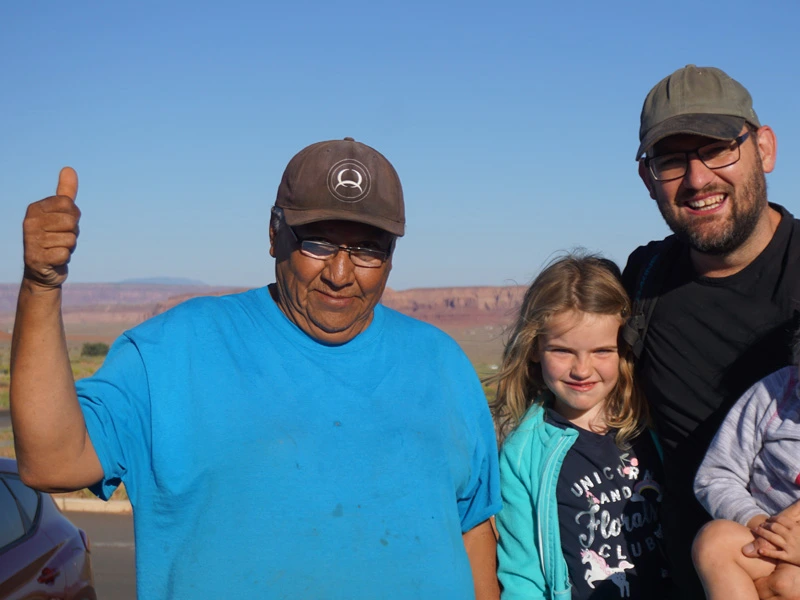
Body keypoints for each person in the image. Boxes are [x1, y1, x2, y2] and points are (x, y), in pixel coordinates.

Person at [10, 138, 502, 599]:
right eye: (318, 242)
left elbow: (472, 528)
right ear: (274, 234)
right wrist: (42, 285)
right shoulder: (173, 350)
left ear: (392, 255)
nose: (340, 273)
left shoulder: (442, 364)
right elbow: (51, 461)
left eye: (367, 248)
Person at [624, 64, 800, 598]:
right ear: (647, 178)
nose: (698, 179)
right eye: (672, 160)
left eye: (719, 149)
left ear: (764, 148)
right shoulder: (641, 285)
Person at [492, 254, 671, 599]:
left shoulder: (649, 425)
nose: (582, 370)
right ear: (534, 349)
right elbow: (521, 573)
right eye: (562, 351)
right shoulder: (523, 454)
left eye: (602, 351)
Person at [692, 332, 800, 599]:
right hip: (764, 540)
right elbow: (716, 476)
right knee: (715, 541)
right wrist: (770, 531)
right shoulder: (775, 392)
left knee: (788, 584)